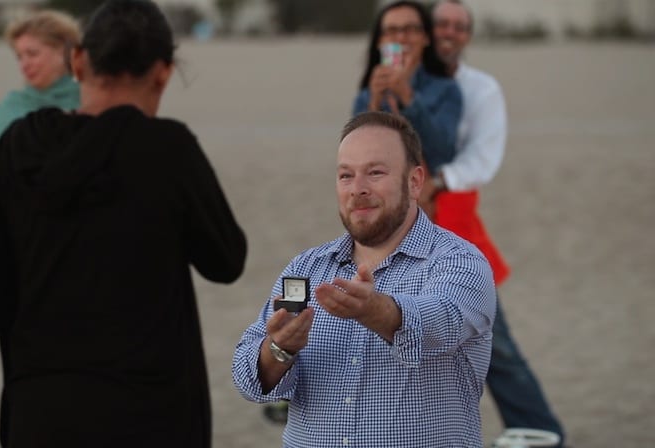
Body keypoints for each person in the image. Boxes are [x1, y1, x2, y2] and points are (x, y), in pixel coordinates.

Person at [0, 1, 247, 447]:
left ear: (77, 61)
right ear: (163, 73)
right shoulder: (169, 152)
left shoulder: (19, 149)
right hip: (154, 416)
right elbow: (226, 260)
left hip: (42, 414)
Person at [233, 111, 496, 447]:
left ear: (415, 182)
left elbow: (441, 322)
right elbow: (247, 378)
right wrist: (280, 348)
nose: (357, 189)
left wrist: (374, 310)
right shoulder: (306, 269)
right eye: (346, 176)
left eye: (375, 173)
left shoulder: (461, 262)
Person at [429, 1, 565, 445]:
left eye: (459, 26)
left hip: (455, 223)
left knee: (493, 342)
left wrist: (435, 181)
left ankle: (544, 432)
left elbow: (483, 160)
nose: (449, 32)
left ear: (468, 35)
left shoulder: (481, 89)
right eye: (442, 24)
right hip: (397, 227)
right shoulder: (404, 81)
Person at [352, 0, 462, 176]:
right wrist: (374, 105)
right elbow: (357, 159)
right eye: (392, 30)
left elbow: (443, 156)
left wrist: (407, 97)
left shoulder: (447, 89)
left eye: (410, 29)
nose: (401, 38)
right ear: (380, 41)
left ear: (426, 37)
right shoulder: (366, 96)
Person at [0, 9, 81, 165]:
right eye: (19, 57)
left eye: (32, 54)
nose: (24, 65)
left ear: (63, 51)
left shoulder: (89, 100)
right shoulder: (13, 105)